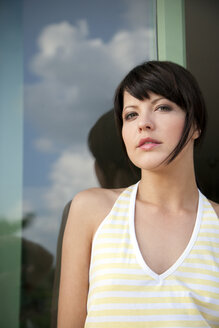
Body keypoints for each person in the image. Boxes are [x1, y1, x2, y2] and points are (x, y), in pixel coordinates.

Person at [57, 61, 219, 327]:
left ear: (195, 125)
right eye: (131, 115)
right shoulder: (92, 210)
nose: (143, 123)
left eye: (162, 107)